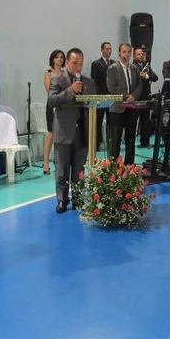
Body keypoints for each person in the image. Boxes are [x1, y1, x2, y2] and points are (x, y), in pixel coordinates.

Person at [48, 48, 95, 214]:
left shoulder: (89, 82)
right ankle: (62, 200)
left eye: (80, 63)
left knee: (79, 169)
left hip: (82, 131)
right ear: (67, 62)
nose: (78, 66)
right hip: (64, 130)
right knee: (62, 169)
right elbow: (52, 101)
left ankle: (78, 199)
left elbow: (93, 102)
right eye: (75, 63)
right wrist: (71, 90)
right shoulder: (57, 79)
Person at [105, 43, 141, 165]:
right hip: (117, 108)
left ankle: (130, 167)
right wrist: (126, 96)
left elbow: (139, 84)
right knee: (115, 140)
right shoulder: (112, 68)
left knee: (131, 139)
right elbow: (111, 87)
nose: (126, 54)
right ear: (119, 53)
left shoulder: (134, 68)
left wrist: (133, 96)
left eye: (128, 52)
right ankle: (113, 167)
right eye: (124, 52)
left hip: (131, 108)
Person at [42, 49, 65, 174]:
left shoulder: (64, 74)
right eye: (57, 57)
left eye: (61, 57)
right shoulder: (48, 73)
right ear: (53, 59)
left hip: (63, 105)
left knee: (61, 134)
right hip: (52, 104)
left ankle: (59, 160)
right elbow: (49, 89)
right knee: (51, 133)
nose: (59, 59)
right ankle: (45, 162)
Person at [89, 42, 113, 148]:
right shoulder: (96, 64)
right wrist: (97, 96)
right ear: (102, 50)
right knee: (98, 121)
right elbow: (94, 81)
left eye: (110, 49)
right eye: (107, 49)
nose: (109, 51)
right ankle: (97, 143)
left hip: (111, 97)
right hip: (100, 97)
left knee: (111, 121)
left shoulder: (114, 63)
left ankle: (110, 142)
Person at [132, 47, 158, 148]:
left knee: (145, 120)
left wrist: (147, 76)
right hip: (136, 97)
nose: (141, 56)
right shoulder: (132, 66)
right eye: (138, 54)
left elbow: (155, 77)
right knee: (134, 120)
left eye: (142, 54)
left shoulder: (147, 66)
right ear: (134, 56)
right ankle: (131, 142)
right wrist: (142, 76)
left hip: (146, 97)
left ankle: (145, 141)